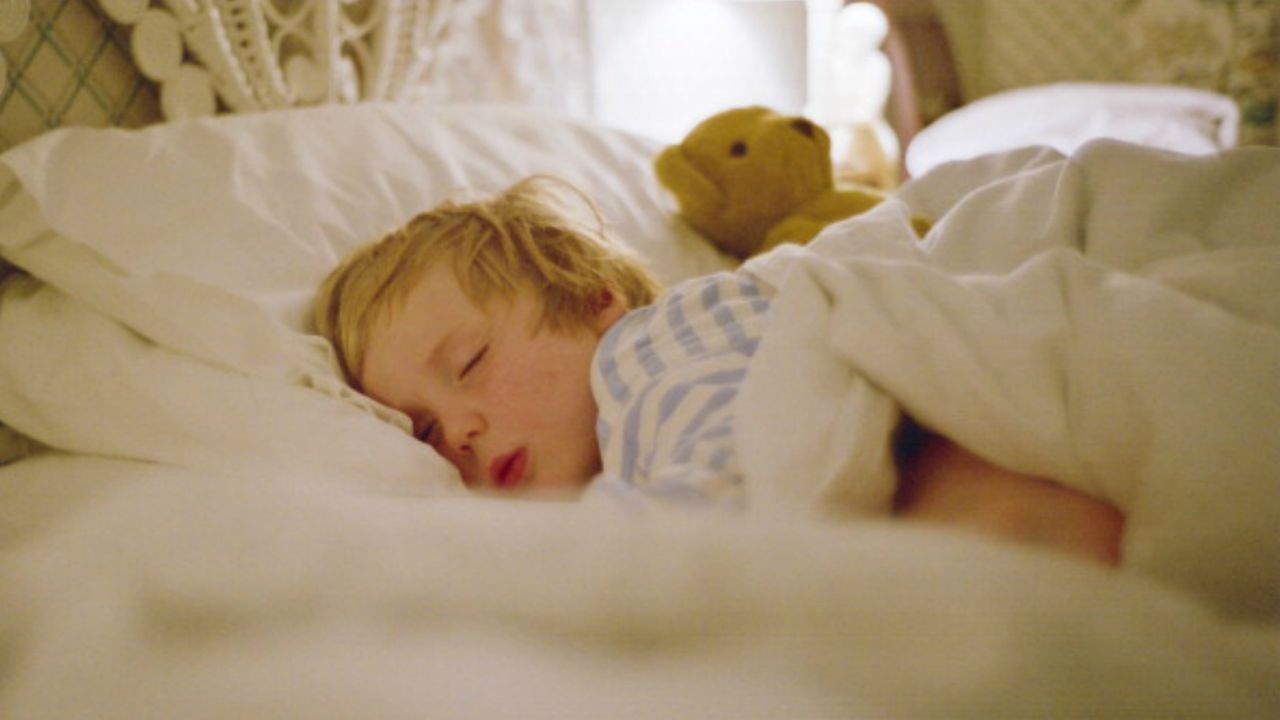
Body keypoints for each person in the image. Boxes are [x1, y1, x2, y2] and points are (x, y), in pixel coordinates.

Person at [314, 176, 1124, 565]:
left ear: (595, 302)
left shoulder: (651, 344)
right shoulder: (617, 440)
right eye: (421, 428)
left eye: (470, 361)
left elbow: (732, 469)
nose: (456, 432)